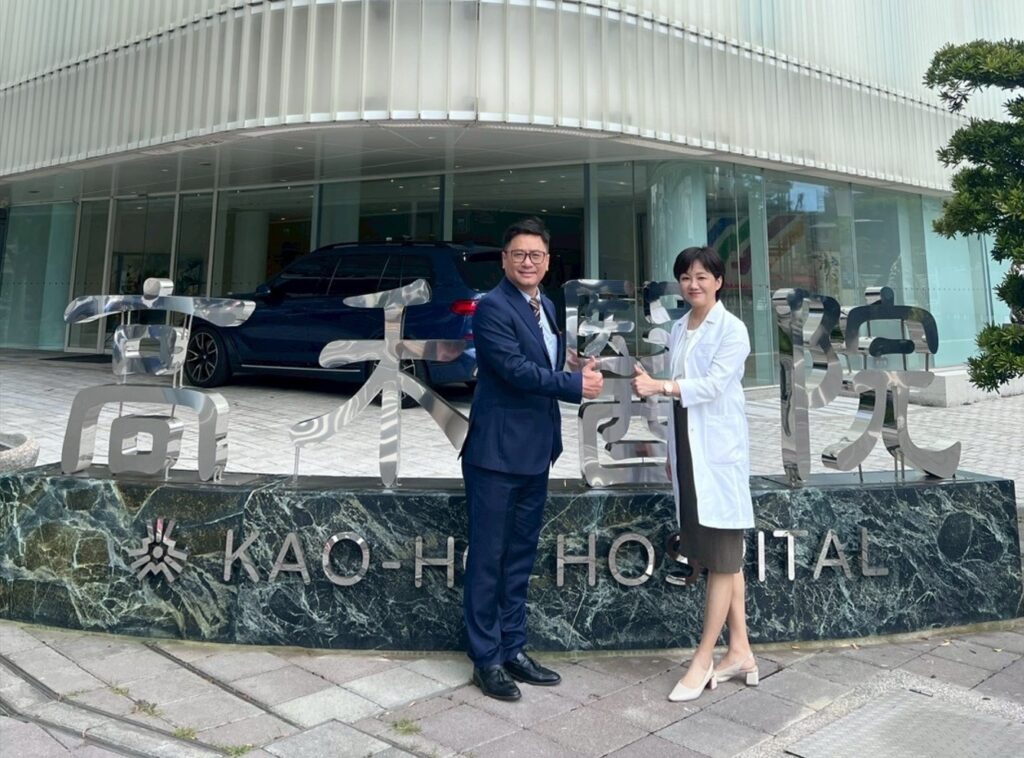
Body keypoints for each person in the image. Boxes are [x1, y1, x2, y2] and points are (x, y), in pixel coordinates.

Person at [460, 217, 603, 701]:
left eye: (536, 255)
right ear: (504, 260)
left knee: (520, 558)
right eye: (519, 254)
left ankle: (513, 648)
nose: (528, 262)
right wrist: (573, 385)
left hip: (536, 451)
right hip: (496, 456)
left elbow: (540, 360)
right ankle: (486, 659)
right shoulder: (492, 307)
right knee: (488, 559)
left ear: (546, 262)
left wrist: (570, 364)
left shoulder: (546, 305)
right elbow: (514, 369)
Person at [632, 246, 757, 702]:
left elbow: (714, 385)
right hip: (689, 447)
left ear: (719, 282)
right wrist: (672, 449)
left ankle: (703, 658)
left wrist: (660, 385)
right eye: (685, 277)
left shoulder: (733, 329)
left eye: (702, 276)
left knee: (723, 554)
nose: (693, 284)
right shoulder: (679, 328)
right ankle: (741, 651)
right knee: (718, 555)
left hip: (718, 453)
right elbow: (680, 400)